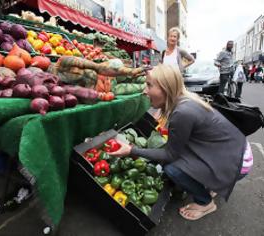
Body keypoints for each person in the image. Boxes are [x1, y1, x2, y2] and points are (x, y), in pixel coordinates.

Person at [108, 64, 253, 221]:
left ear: (166, 88)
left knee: (172, 168)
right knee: (181, 159)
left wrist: (132, 150)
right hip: (235, 151)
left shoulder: (182, 112)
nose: (145, 91)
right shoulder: (185, 100)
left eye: (149, 85)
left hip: (239, 162)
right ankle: (214, 183)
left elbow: (170, 155)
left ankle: (206, 203)